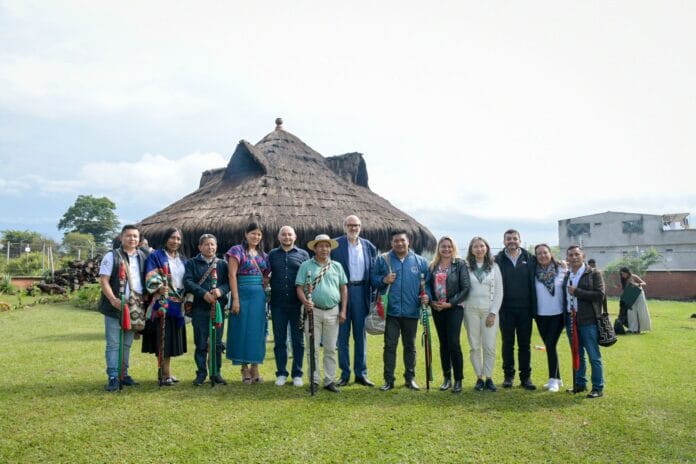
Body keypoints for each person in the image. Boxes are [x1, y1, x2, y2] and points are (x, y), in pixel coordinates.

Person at [372, 230, 431, 391]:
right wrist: (384, 279)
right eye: (396, 241)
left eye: (402, 240)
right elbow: (373, 279)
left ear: (408, 241)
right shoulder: (383, 259)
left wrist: (427, 296)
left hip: (412, 312)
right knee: (390, 346)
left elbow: (428, 285)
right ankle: (388, 380)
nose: (399, 243)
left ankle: (410, 378)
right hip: (391, 312)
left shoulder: (420, 262)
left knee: (410, 346)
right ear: (391, 243)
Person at [295, 234, 348, 393]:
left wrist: (343, 310)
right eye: (321, 246)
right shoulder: (305, 266)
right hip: (313, 312)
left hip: (333, 311)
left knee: (331, 348)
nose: (324, 249)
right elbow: (299, 287)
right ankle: (314, 380)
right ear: (315, 248)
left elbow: (343, 288)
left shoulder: (337, 266)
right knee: (312, 348)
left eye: (327, 246)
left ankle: (329, 380)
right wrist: (305, 301)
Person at [98, 224, 148, 392]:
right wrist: (112, 299)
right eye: (129, 236)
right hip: (115, 306)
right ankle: (113, 376)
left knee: (126, 343)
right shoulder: (112, 256)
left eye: (135, 236)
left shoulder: (142, 256)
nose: (132, 239)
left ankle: (124, 374)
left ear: (139, 239)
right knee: (113, 343)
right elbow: (104, 280)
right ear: (121, 237)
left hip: (135, 305)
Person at [331, 215, 378, 387]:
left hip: (361, 293)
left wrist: (373, 298)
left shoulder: (369, 247)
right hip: (341, 293)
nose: (353, 228)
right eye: (350, 225)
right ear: (344, 226)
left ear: (361, 227)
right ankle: (344, 374)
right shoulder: (335, 245)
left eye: (356, 225)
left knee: (360, 337)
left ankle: (361, 374)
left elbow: (373, 273)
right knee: (342, 338)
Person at [142, 227, 188, 386]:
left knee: (170, 340)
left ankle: (166, 372)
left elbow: (186, 280)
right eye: (172, 238)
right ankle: (164, 374)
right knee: (163, 339)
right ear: (165, 238)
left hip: (178, 306)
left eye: (178, 239)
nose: (175, 241)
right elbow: (150, 276)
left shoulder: (182, 260)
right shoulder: (156, 256)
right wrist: (159, 286)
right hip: (162, 304)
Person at [183, 234, 231, 386]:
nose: (210, 247)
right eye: (206, 245)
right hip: (199, 308)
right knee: (201, 343)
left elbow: (229, 282)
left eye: (212, 245)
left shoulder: (223, 264)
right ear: (200, 247)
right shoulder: (192, 263)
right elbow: (188, 281)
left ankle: (216, 373)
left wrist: (220, 291)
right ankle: (201, 373)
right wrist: (203, 294)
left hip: (217, 309)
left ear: (216, 247)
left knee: (216, 343)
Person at [226, 222, 270, 383]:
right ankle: (244, 367)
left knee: (257, 331)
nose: (256, 237)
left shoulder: (264, 255)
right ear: (246, 234)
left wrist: (265, 289)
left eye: (259, 234)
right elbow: (232, 276)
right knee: (241, 330)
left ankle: (255, 366)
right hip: (241, 294)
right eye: (253, 233)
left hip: (259, 297)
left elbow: (266, 276)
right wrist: (235, 299)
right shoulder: (236, 250)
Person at [427, 236, 470, 393]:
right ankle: (447, 378)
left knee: (453, 342)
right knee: (443, 343)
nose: (446, 249)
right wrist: (432, 302)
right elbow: (427, 287)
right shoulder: (432, 266)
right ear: (438, 248)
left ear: (453, 247)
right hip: (437, 309)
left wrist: (450, 303)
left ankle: (458, 379)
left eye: (449, 246)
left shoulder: (460, 264)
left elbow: (465, 288)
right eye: (443, 246)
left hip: (454, 308)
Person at [495, 229, 537, 390]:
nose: (512, 241)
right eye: (508, 239)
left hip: (526, 310)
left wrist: (559, 262)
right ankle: (508, 376)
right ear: (504, 241)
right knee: (507, 344)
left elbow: (547, 262)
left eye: (515, 238)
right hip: (505, 310)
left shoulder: (530, 259)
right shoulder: (497, 260)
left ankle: (526, 378)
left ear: (520, 240)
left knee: (525, 345)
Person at [268, 226, 309, 387]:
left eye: (289, 234)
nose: (287, 237)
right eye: (283, 235)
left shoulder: (303, 255)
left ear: (295, 236)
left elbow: (307, 278)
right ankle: (281, 373)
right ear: (279, 237)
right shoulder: (272, 255)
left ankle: (297, 373)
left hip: (297, 305)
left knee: (298, 341)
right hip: (278, 305)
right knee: (280, 341)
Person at [563, 245, 606, 398]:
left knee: (593, 355)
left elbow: (600, 294)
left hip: (588, 320)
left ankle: (598, 387)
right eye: (571, 255)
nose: (574, 257)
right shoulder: (568, 274)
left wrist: (577, 292)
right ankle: (580, 384)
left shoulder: (593, 273)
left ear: (583, 256)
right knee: (577, 353)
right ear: (567, 258)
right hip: (571, 320)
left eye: (576, 254)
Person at [463, 237, 503, 392]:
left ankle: (489, 377)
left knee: (489, 346)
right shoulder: (466, 267)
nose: (479, 249)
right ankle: (479, 377)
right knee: (474, 346)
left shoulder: (494, 267)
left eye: (482, 246)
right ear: (471, 250)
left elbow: (499, 291)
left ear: (486, 248)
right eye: (475, 247)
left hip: (489, 311)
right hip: (470, 310)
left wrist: (493, 312)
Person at [533, 244, 568, 393]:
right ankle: (558, 379)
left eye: (545, 252)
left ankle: (552, 380)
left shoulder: (562, 268)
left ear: (550, 253)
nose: (542, 255)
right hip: (540, 315)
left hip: (558, 314)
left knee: (550, 345)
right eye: (539, 253)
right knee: (550, 346)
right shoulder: (533, 271)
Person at [619, 267, 652, 334]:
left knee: (640, 311)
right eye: (621, 274)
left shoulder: (633, 276)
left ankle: (640, 329)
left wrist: (638, 284)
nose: (623, 275)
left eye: (623, 273)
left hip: (639, 295)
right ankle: (632, 329)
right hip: (630, 297)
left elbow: (644, 283)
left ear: (627, 272)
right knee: (631, 312)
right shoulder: (623, 280)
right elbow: (624, 290)